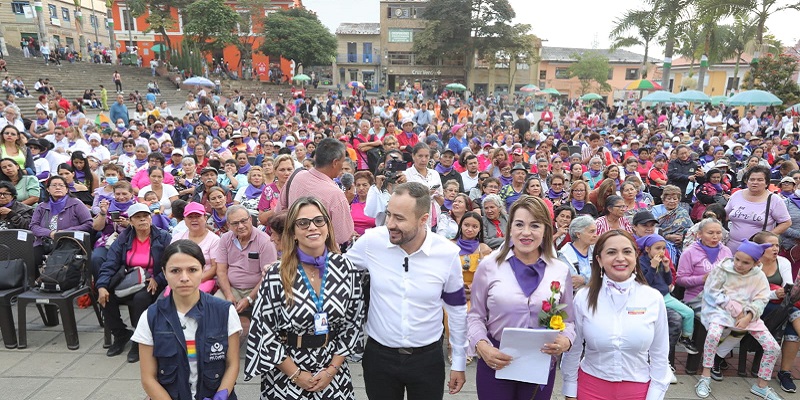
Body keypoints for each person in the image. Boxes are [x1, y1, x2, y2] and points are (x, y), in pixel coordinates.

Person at [346, 182, 468, 399]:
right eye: (389, 214)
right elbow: (335, 271)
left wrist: (459, 361)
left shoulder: (447, 254)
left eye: (400, 218)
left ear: (423, 220)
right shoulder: (371, 242)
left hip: (427, 361)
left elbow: (457, 310)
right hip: (379, 358)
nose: (390, 224)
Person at [244, 196, 365, 399]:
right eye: (303, 223)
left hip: (332, 370)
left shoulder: (346, 268)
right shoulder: (276, 274)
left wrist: (331, 370)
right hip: (286, 371)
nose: (312, 227)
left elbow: (353, 324)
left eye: (319, 221)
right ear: (293, 232)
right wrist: (296, 374)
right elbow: (264, 331)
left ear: (327, 226)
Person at [468, 195, 574, 399]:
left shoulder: (560, 270)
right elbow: (475, 317)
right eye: (519, 224)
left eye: (534, 225)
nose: (526, 233)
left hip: (540, 361)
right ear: (510, 229)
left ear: (545, 230)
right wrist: (482, 347)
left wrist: (565, 341)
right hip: (495, 359)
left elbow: (568, 320)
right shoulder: (489, 266)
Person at [561, 230, 670, 400]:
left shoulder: (653, 298)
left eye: (627, 251)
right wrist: (569, 390)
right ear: (599, 259)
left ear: (635, 256)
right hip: (590, 388)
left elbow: (660, 354)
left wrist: (655, 395)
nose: (620, 258)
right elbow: (573, 349)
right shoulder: (583, 297)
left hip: (639, 390)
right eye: (611, 252)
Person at [133, 240, 242, 400]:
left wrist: (222, 393)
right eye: (175, 270)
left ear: (202, 270)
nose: (184, 278)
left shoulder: (225, 312)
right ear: (164, 272)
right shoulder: (151, 317)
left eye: (192, 270)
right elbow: (148, 378)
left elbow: (232, 364)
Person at [694, 240, 783, 400]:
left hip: (748, 315)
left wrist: (748, 316)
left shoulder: (759, 276)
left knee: (773, 347)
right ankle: (705, 376)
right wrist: (736, 311)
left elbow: (761, 299)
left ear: (756, 263)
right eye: (737, 259)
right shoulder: (723, 268)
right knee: (714, 335)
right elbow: (711, 292)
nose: (739, 264)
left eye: (745, 262)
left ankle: (761, 386)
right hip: (721, 310)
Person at [96, 203, 172, 363]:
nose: (143, 220)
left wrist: (157, 278)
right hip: (130, 279)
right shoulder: (123, 239)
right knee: (106, 295)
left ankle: (139, 341)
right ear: (131, 221)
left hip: (153, 281)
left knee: (140, 299)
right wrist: (102, 286)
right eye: (138, 217)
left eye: (145, 216)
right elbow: (110, 263)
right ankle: (121, 334)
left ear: (151, 218)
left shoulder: (163, 237)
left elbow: (170, 264)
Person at [214, 205, 278, 336]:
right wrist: (228, 294)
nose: (241, 226)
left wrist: (249, 298)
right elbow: (221, 270)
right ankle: (220, 346)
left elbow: (267, 276)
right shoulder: (225, 239)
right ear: (228, 225)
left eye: (243, 221)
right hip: (232, 288)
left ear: (250, 219)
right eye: (235, 223)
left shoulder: (264, 241)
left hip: (258, 290)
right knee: (214, 308)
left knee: (267, 314)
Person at [278, 138, 354, 246]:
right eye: (342, 162)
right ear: (335, 163)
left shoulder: (295, 176)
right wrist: (346, 202)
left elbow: (279, 210)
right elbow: (343, 236)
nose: (342, 167)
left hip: (290, 249)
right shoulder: (336, 194)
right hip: (318, 255)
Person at [752, 231, 800, 393]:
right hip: (755, 307)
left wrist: (783, 292)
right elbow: (749, 294)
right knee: (792, 313)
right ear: (760, 248)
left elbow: (788, 288)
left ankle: (785, 373)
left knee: (792, 323)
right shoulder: (750, 262)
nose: (775, 248)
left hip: (780, 306)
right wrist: (773, 293)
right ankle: (784, 373)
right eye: (771, 245)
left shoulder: (783, 262)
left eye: (777, 245)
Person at [638, 234, 699, 356]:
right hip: (650, 298)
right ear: (647, 249)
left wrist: (666, 268)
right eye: (657, 248)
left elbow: (668, 281)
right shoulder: (641, 262)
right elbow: (645, 283)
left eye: (663, 248)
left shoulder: (661, 261)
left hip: (665, 296)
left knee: (689, 313)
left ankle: (685, 338)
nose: (661, 251)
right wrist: (652, 266)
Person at [725, 165, 791, 254]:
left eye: (760, 180)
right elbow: (725, 215)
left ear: (767, 183)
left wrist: (767, 237)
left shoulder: (774, 200)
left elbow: (786, 222)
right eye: (752, 179)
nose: (755, 182)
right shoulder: (737, 195)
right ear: (746, 181)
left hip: (757, 249)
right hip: (731, 247)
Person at [30, 175, 93, 268]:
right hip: (45, 242)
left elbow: (88, 224)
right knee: (31, 257)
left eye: (61, 185)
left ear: (67, 189)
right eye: (54, 185)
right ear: (48, 189)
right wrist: (50, 233)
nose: (58, 187)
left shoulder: (76, 203)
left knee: (58, 261)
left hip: (70, 242)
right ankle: (35, 281)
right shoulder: (41, 206)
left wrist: (66, 232)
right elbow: (33, 226)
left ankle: (55, 281)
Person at [168, 202, 220, 295]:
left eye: (197, 216)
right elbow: (170, 262)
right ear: (184, 219)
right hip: (179, 280)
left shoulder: (214, 240)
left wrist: (193, 279)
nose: (194, 220)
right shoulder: (177, 237)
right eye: (190, 217)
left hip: (203, 281)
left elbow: (214, 267)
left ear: (205, 218)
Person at [558, 215, 598, 292]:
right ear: (578, 234)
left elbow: (605, 276)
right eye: (591, 232)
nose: (595, 235)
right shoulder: (564, 255)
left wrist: (584, 280)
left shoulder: (597, 251)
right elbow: (573, 282)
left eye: (595, 231)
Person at [257, 154, 294, 225]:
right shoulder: (269, 190)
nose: (286, 173)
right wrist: (279, 208)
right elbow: (262, 219)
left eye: (289, 169)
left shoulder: (299, 188)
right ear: (275, 171)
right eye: (282, 170)